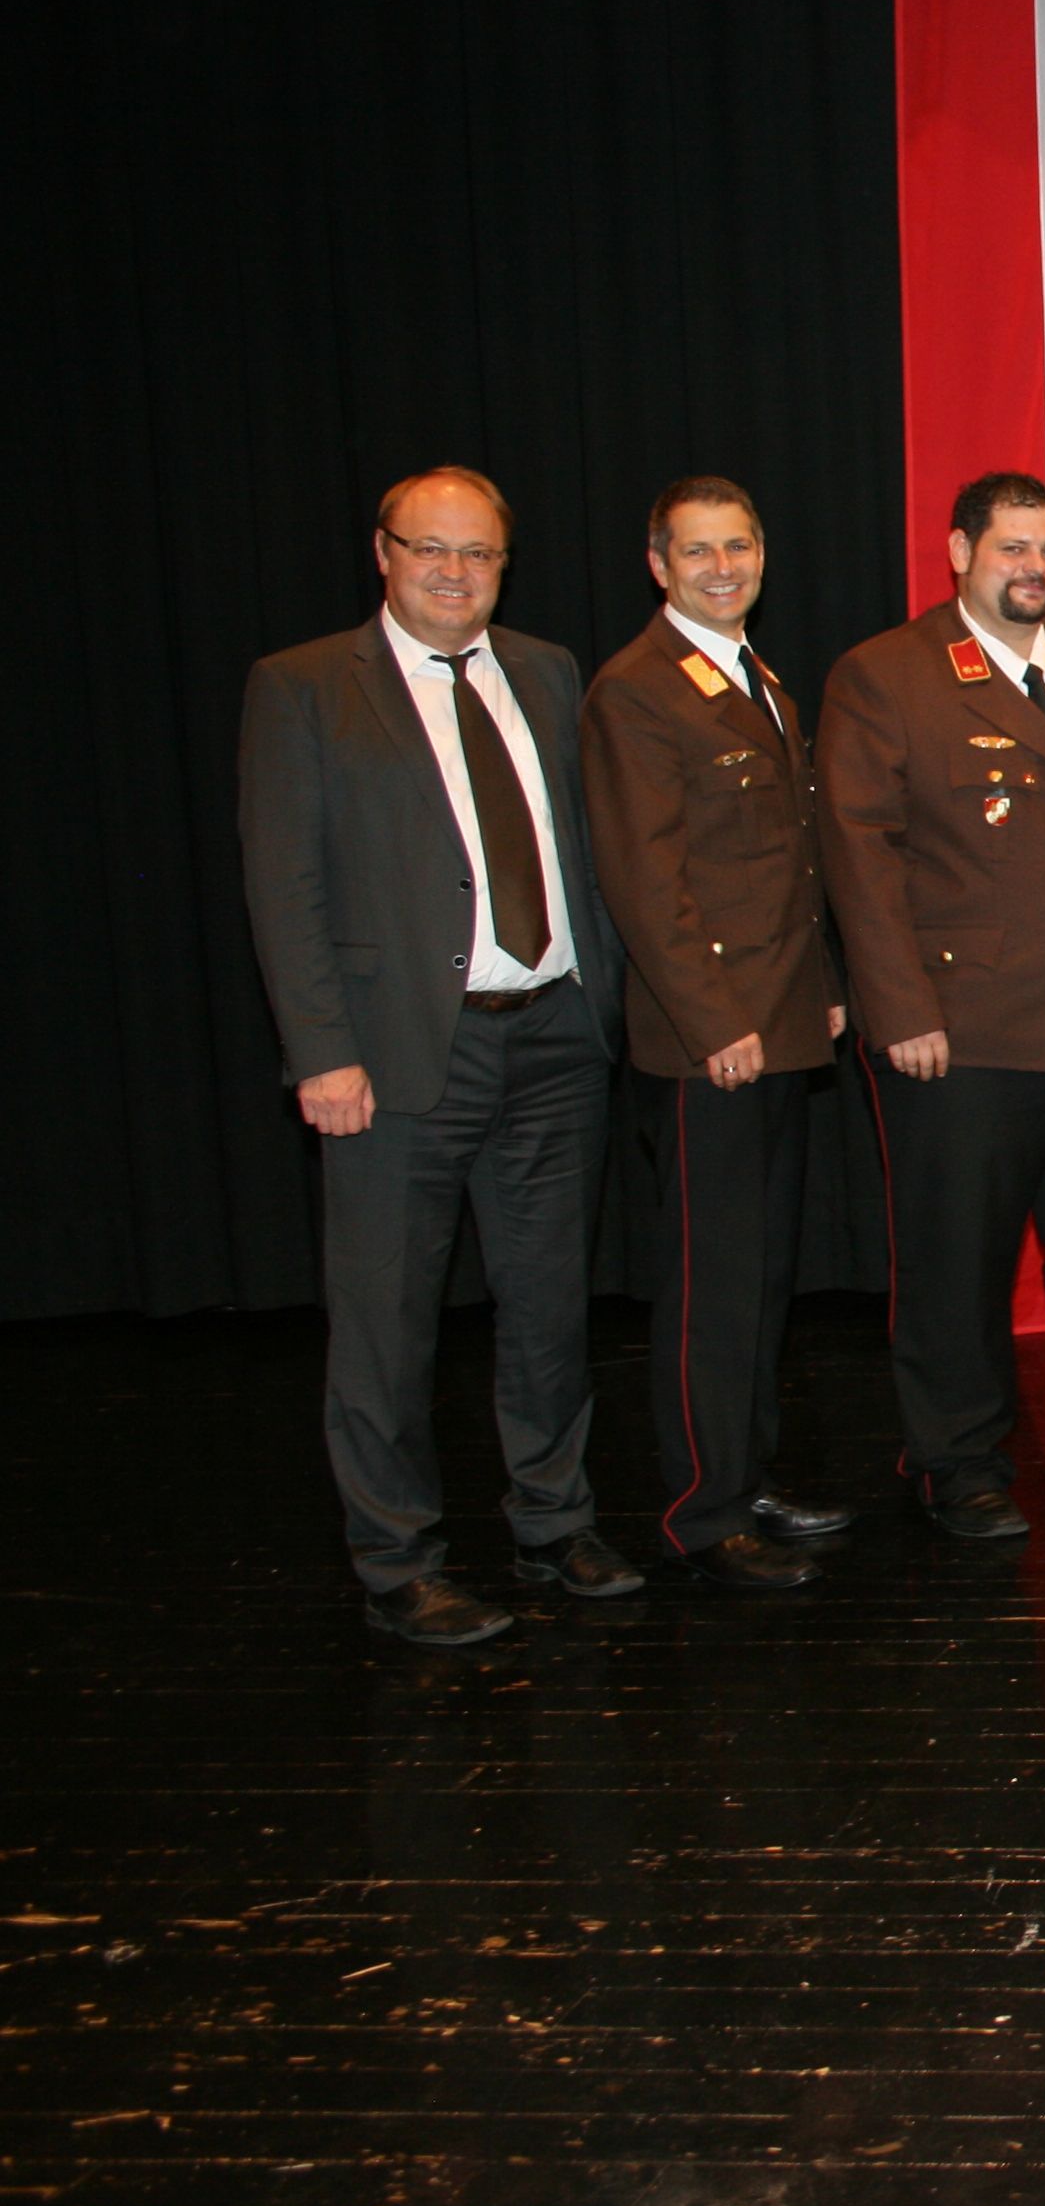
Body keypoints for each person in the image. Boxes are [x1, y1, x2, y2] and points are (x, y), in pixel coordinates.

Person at [239, 467, 630, 1644]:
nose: (455, 573)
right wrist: (322, 1052)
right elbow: (284, 885)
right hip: (400, 1054)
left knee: (550, 1306)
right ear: (384, 553)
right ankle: (398, 1559)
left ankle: (554, 1521)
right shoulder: (305, 686)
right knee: (387, 1321)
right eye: (431, 549)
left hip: (555, 1038)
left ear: (504, 565)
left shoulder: (548, 671)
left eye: (479, 553)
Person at [817, 472, 1045, 1539]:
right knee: (957, 1261)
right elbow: (859, 854)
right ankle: (959, 1460)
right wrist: (899, 1009)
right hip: (965, 1028)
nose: (1034, 569)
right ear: (959, 553)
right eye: (1013, 548)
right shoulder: (888, 673)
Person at [582, 478, 855, 1589]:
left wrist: (822, 984)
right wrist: (712, 1023)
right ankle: (703, 1509)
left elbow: (791, 860)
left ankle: (747, 1475)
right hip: (714, 1042)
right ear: (659, 565)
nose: (722, 567)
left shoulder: (757, 677)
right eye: (698, 551)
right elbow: (644, 881)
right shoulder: (637, 688)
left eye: (738, 546)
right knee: (712, 1284)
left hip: (780, 1019)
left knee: (764, 1274)